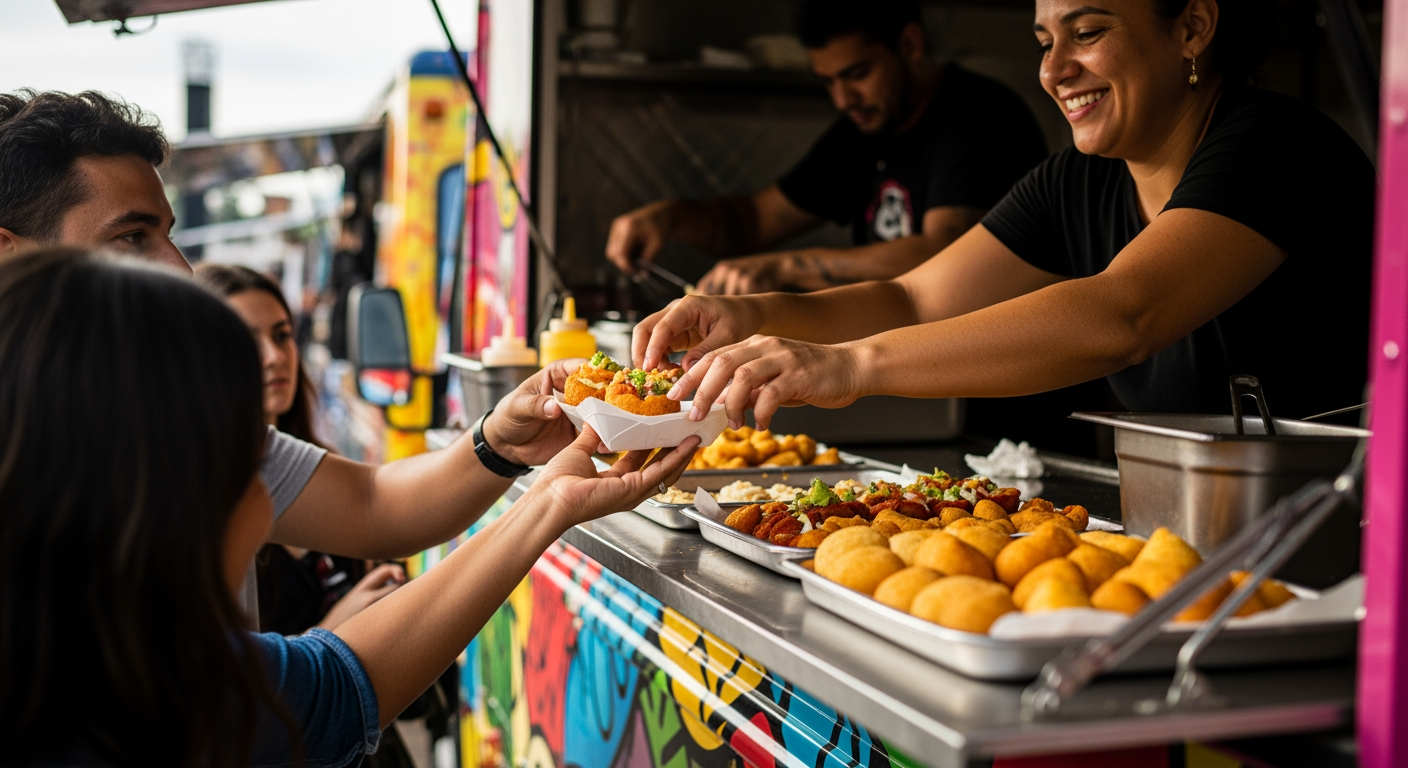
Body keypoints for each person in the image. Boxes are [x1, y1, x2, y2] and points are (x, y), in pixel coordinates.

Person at [0, 247, 699, 767]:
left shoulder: (111, 657)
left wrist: (526, 478)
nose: (175, 262)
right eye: (234, 448)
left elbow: (337, 673)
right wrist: (545, 503)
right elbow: (336, 688)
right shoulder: (169, 693)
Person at [635, 0, 1373, 433]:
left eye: (1087, 33)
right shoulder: (1076, 184)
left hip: (1347, 545)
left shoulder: (1275, 147)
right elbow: (914, 297)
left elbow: (1124, 315)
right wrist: (751, 315)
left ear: (1192, 28)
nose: (1054, 71)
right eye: (1046, 43)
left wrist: (847, 365)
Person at [0, 89, 590, 625]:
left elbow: (375, 505)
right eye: (132, 237)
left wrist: (502, 442)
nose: (180, 269)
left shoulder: (185, 423)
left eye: (168, 235)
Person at [604, 0, 1048, 297]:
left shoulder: (978, 115)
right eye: (829, 81)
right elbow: (754, 220)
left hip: (1004, 397)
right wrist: (671, 216)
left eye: (856, 73)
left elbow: (947, 252)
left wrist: (783, 269)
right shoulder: (863, 129)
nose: (842, 99)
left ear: (909, 45)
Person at [195, 262, 406, 635]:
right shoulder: (208, 505)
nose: (274, 357)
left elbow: (387, 507)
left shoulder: (331, 467)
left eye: (282, 335)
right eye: (246, 342)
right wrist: (332, 631)